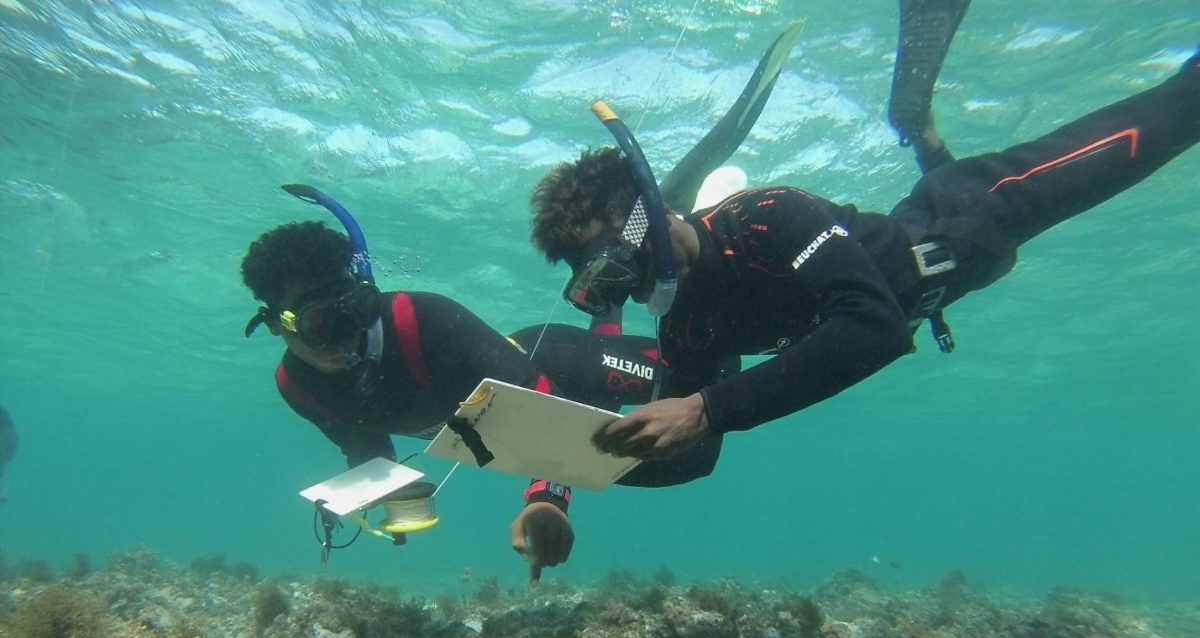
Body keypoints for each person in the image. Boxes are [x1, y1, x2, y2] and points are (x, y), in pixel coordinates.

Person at [240, 25, 805, 582]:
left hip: (547, 365)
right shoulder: (299, 387)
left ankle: (679, 217)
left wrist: (550, 499)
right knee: (664, 458)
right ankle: (618, 286)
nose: (341, 339)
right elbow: (361, 437)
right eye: (315, 324)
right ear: (276, 327)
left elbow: (540, 402)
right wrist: (387, 495)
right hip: (513, 417)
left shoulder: (422, 318)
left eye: (353, 310)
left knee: (695, 452)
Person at [529, 48, 1200, 463]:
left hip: (972, 213)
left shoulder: (767, 216)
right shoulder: (686, 325)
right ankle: (922, 126)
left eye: (624, 259)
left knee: (1160, 126)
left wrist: (708, 407)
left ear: (655, 211)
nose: (632, 287)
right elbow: (694, 450)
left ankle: (917, 116)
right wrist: (577, 473)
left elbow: (874, 330)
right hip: (940, 270)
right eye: (604, 284)